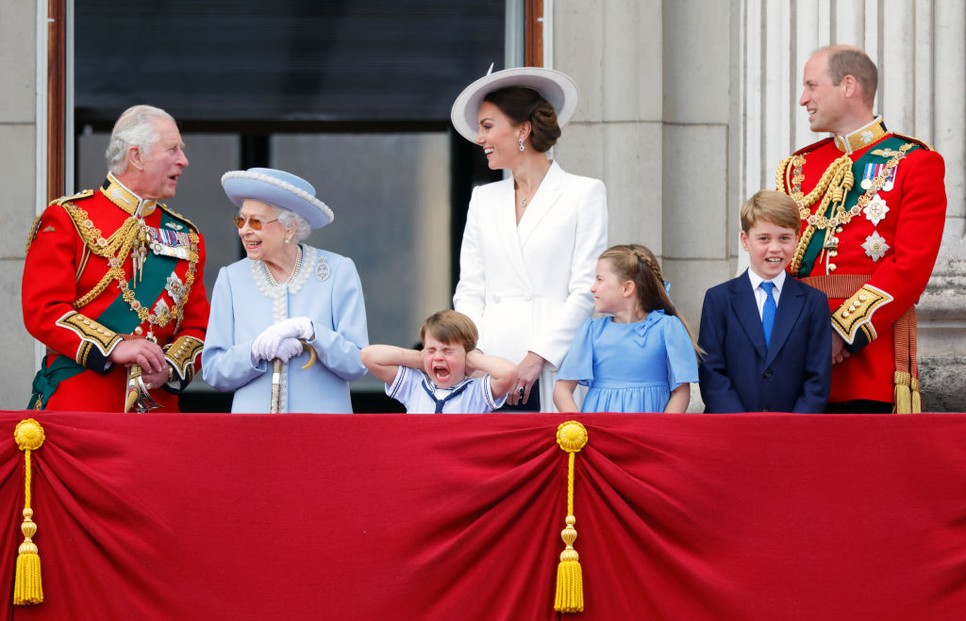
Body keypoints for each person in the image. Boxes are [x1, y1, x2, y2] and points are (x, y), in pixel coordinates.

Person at [776, 45, 946, 413]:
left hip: (869, 353)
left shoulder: (915, 162)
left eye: (811, 86)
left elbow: (910, 266)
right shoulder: (798, 168)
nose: (803, 98)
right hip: (796, 348)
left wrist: (843, 331)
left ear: (848, 85)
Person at [22, 104, 209, 412]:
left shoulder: (187, 237)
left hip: (157, 413)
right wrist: (115, 347)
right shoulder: (69, 218)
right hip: (81, 407)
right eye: (172, 149)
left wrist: (170, 368)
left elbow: (199, 328)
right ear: (136, 156)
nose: (184, 160)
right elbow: (43, 310)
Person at [450, 66, 608, 412]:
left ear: (523, 129)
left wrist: (539, 355)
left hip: (554, 362)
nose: (480, 139)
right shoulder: (483, 199)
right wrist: (474, 354)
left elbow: (585, 289)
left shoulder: (584, 193)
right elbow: (470, 289)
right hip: (488, 367)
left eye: (488, 127)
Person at [201, 167, 368, 413]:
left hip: (322, 431)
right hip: (254, 431)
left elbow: (356, 364)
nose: (244, 230)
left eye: (255, 221)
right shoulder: (231, 279)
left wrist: (312, 332)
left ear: (289, 228)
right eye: (241, 219)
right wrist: (255, 350)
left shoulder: (337, 271)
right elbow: (214, 371)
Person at [699, 190, 832, 413]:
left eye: (784, 238)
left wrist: (794, 427)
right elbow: (712, 371)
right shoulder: (719, 300)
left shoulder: (813, 302)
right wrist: (742, 425)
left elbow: (817, 377)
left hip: (792, 432)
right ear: (745, 240)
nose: (775, 248)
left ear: (797, 239)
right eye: (764, 238)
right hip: (732, 430)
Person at [553, 245, 700, 413]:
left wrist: (661, 432)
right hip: (601, 433)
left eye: (599, 279)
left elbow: (680, 392)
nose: (592, 288)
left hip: (648, 433)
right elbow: (561, 390)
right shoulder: (591, 331)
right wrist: (580, 429)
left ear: (627, 288)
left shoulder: (667, 328)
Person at [361, 310, 517, 414]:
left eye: (447, 351)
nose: (438, 357)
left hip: (458, 462)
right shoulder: (414, 385)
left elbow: (509, 373)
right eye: (431, 350)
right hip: (420, 462)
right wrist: (419, 359)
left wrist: (472, 359)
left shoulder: (476, 392)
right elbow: (368, 356)